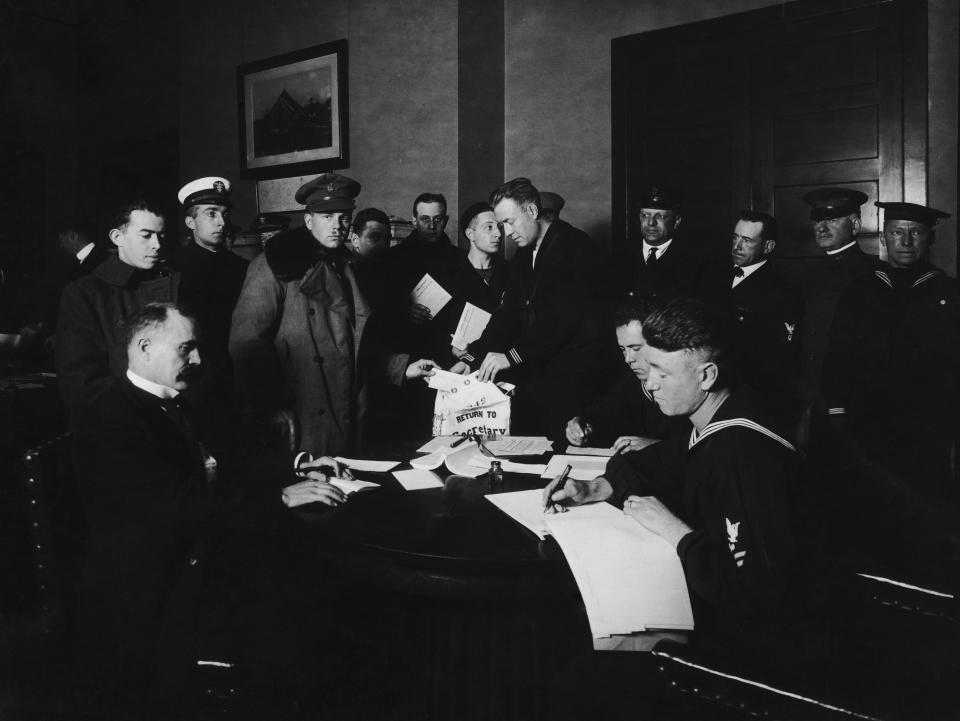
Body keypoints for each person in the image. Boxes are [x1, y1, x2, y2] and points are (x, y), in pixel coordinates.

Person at [70, 302, 355, 718]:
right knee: (297, 609)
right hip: (154, 583)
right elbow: (177, 507)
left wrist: (296, 466)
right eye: (186, 349)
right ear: (145, 348)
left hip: (197, 547)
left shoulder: (179, 395)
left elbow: (235, 455)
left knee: (314, 586)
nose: (198, 359)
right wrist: (279, 498)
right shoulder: (109, 417)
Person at [545, 298, 807, 649]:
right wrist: (593, 488)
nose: (650, 385)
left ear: (706, 375)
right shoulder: (715, 416)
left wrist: (674, 530)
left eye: (663, 373)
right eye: (649, 368)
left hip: (753, 647)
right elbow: (662, 461)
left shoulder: (743, 454)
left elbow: (752, 592)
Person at [229, 173, 435, 456]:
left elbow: (355, 345)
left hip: (349, 406)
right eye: (327, 217)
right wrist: (271, 405)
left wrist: (401, 367)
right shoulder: (273, 266)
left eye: (343, 217)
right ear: (309, 220)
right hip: (303, 410)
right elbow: (245, 344)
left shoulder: (349, 267)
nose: (337, 225)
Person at [821, 201, 959, 565]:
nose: (906, 240)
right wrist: (838, 416)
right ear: (883, 237)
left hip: (925, 434)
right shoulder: (861, 291)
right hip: (866, 430)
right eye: (897, 232)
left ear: (929, 238)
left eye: (915, 232)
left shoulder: (949, 293)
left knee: (922, 527)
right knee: (868, 522)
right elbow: (836, 359)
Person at [453, 178, 605, 437]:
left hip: (573, 377)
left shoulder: (576, 246)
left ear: (533, 211)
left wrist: (511, 356)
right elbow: (507, 315)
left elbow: (561, 319)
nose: (506, 232)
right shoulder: (524, 254)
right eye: (501, 224)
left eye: (509, 222)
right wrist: (472, 358)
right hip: (540, 375)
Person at [56, 198, 180, 413]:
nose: (157, 245)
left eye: (161, 236)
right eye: (146, 235)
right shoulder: (83, 294)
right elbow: (81, 384)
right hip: (119, 424)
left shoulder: (175, 284)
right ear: (117, 237)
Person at [564, 301, 686, 452]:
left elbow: (709, 449)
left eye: (636, 348)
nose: (628, 359)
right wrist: (584, 424)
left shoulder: (687, 385)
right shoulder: (631, 381)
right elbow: (604, 413)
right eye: (623, 349)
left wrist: (656, 446)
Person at [796, 187, 875, 411]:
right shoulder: (806, 273)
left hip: (851, 399)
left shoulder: (872, 273)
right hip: (809, 395)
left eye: (832, 220)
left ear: (855, 225)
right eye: (818, 221)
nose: (822, 228)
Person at [728, 209, 803, 435]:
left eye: (747, 240)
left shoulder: (783, 293)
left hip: (749, 400)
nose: (737, 247)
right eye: (735, 238)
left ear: (768, 247)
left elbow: (778, 364)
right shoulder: (712, 277)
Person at [605, 183, 727, 305]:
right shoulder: (620, 255)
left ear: (676, 221)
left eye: (661, 216)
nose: (651, 222)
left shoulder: (695, 261)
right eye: (645, 215)